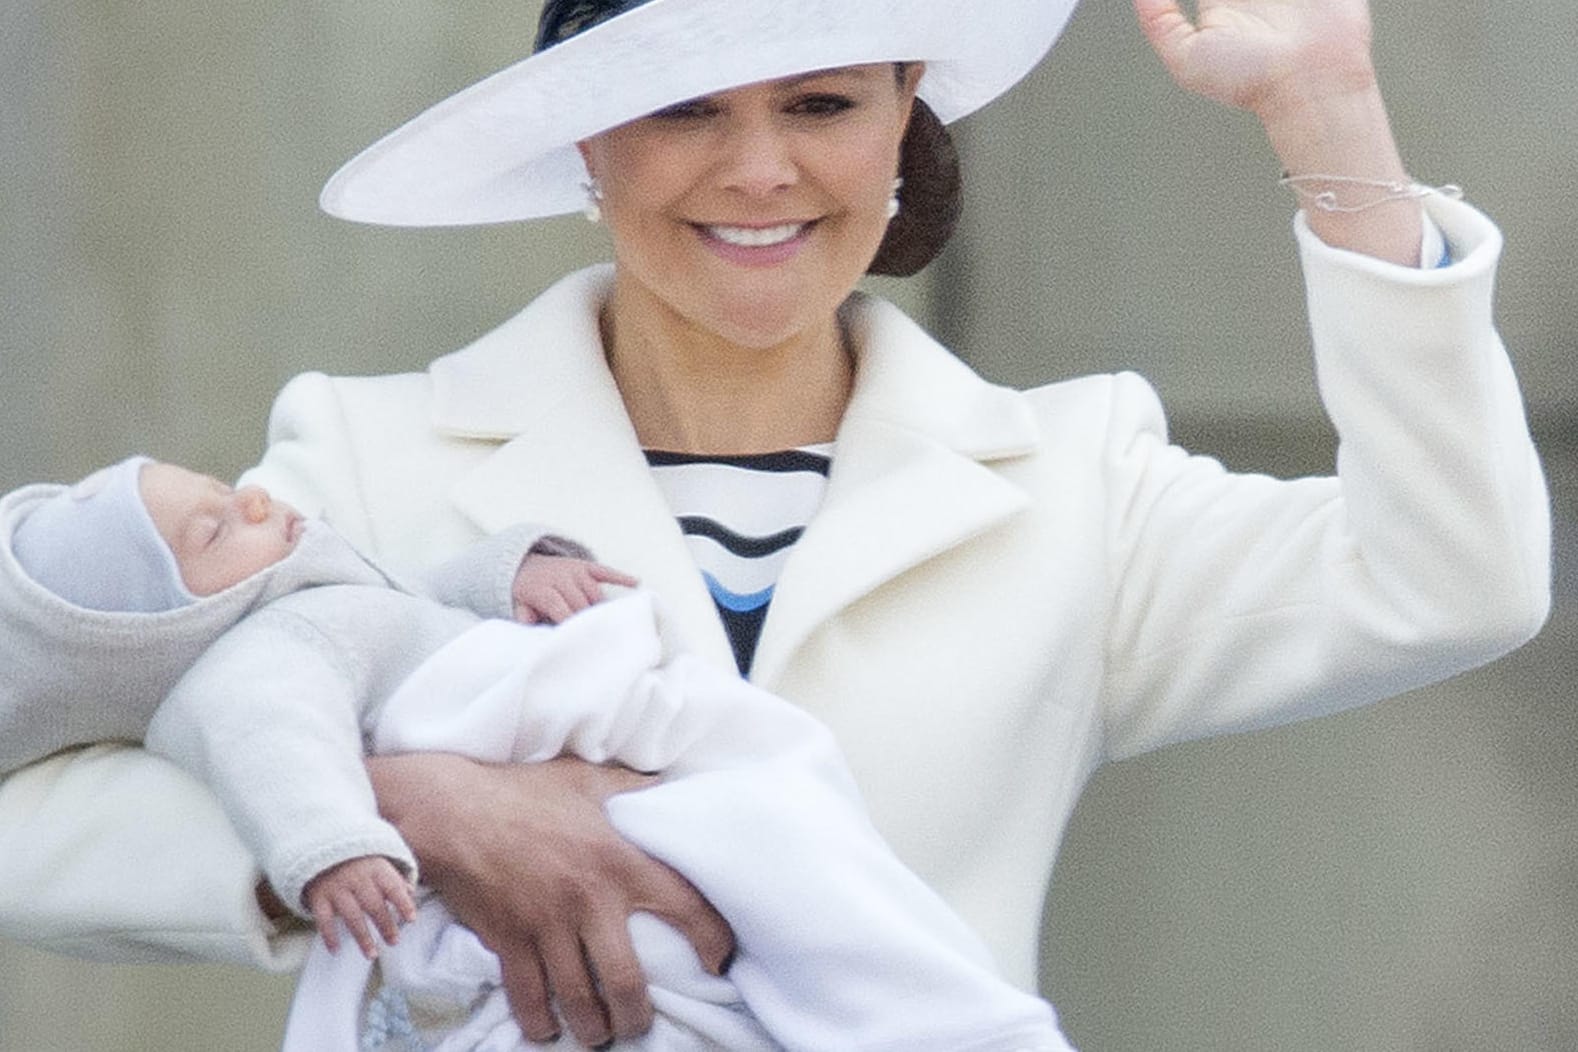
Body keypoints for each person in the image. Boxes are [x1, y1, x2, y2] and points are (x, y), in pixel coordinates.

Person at [0, 0, 1553, 1048]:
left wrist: (1323, 107)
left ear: (901, 130)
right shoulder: (360, 448)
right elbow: (29, 825)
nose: (759, 169)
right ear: (584, 152)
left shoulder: (1075, 482)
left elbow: (1453, 576)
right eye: (683, 109)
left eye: (821, 102)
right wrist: (410, 813)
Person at [0, 457, 1071, 1050]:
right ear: (152, 628)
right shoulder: (260, 653)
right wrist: (361, 826)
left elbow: (414, 597)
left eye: (224, 485)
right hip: (638, 785)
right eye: (209, 530)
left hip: (611, 795)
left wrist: (518, 570)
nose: (257, 500)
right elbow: (268, 740)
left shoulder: (314, 596)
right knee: (789, 846)